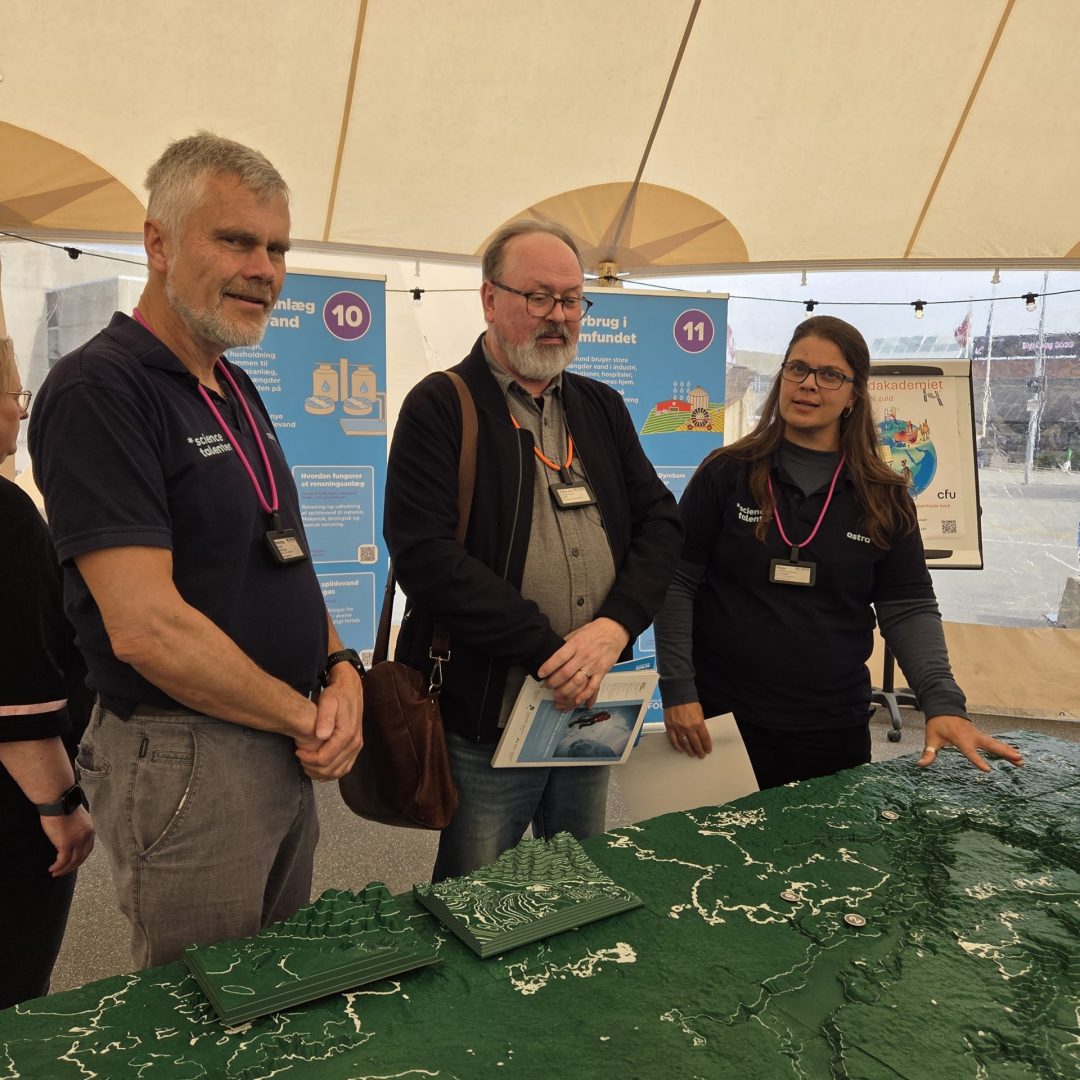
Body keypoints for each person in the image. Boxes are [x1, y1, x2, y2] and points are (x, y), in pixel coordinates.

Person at [28, 134, 363, 968]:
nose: (264, 269)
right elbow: (145, 628)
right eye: (237, 240)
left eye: (277, 248)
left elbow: (285, 556)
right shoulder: (99, 388)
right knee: (202, 1008)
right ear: (158, 242)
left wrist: (342, 668)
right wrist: (307, 717)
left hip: (279, 737)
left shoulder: (233, 383)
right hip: (188, 753)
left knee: (274, 983)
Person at [385, 220, 681, 881]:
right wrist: (549, 653)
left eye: (572, 299)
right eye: (540, 297)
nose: (559, 316)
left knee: (575, 879)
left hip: (590, 704)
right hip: (488, 713)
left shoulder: (601, 407)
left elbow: (662, 523)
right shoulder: (441, 406)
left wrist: (613, 628)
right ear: (490, 299)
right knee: (477, 894)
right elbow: (425, 558)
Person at [655, 315, 1023, 789]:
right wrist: (678, 690)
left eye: (830, 375)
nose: (809, 384)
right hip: (719, 718)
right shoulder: (726, 472)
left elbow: (908, 608)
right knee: (713, 837)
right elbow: (676, 582)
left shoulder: (885, 496)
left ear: (853, 395)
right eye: (798, 369)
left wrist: (943, 702)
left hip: (831, 727)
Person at [0, 260, 94, 1007]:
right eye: (13, 393)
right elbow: (21, 690)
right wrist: (62, 806)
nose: (21, 411)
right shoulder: (8, 517)